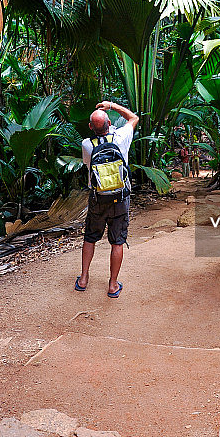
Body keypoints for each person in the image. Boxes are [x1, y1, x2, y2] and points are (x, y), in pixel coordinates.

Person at [75, 100, 139, 298]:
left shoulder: (87, 144)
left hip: (97, 199)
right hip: (120, 199)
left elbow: (88, 165)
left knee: (90, 238)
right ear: (110, 123)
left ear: (90, 127)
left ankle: (84, 279)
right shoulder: (121, 137)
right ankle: (112, 285)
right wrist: (111, 105)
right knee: (117, 242)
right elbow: (134, 118)